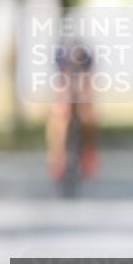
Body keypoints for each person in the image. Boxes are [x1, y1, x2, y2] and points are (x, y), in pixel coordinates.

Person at [46, 37, 98, 184]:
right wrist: (63, 102)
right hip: (66, 89)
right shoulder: (62, 59)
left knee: (88, 117)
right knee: (58, 118)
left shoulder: (86, 61)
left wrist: (85, 101)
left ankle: (88, 154)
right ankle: (56, 156)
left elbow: (89, 84)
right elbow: (60, 85)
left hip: (82, 90)